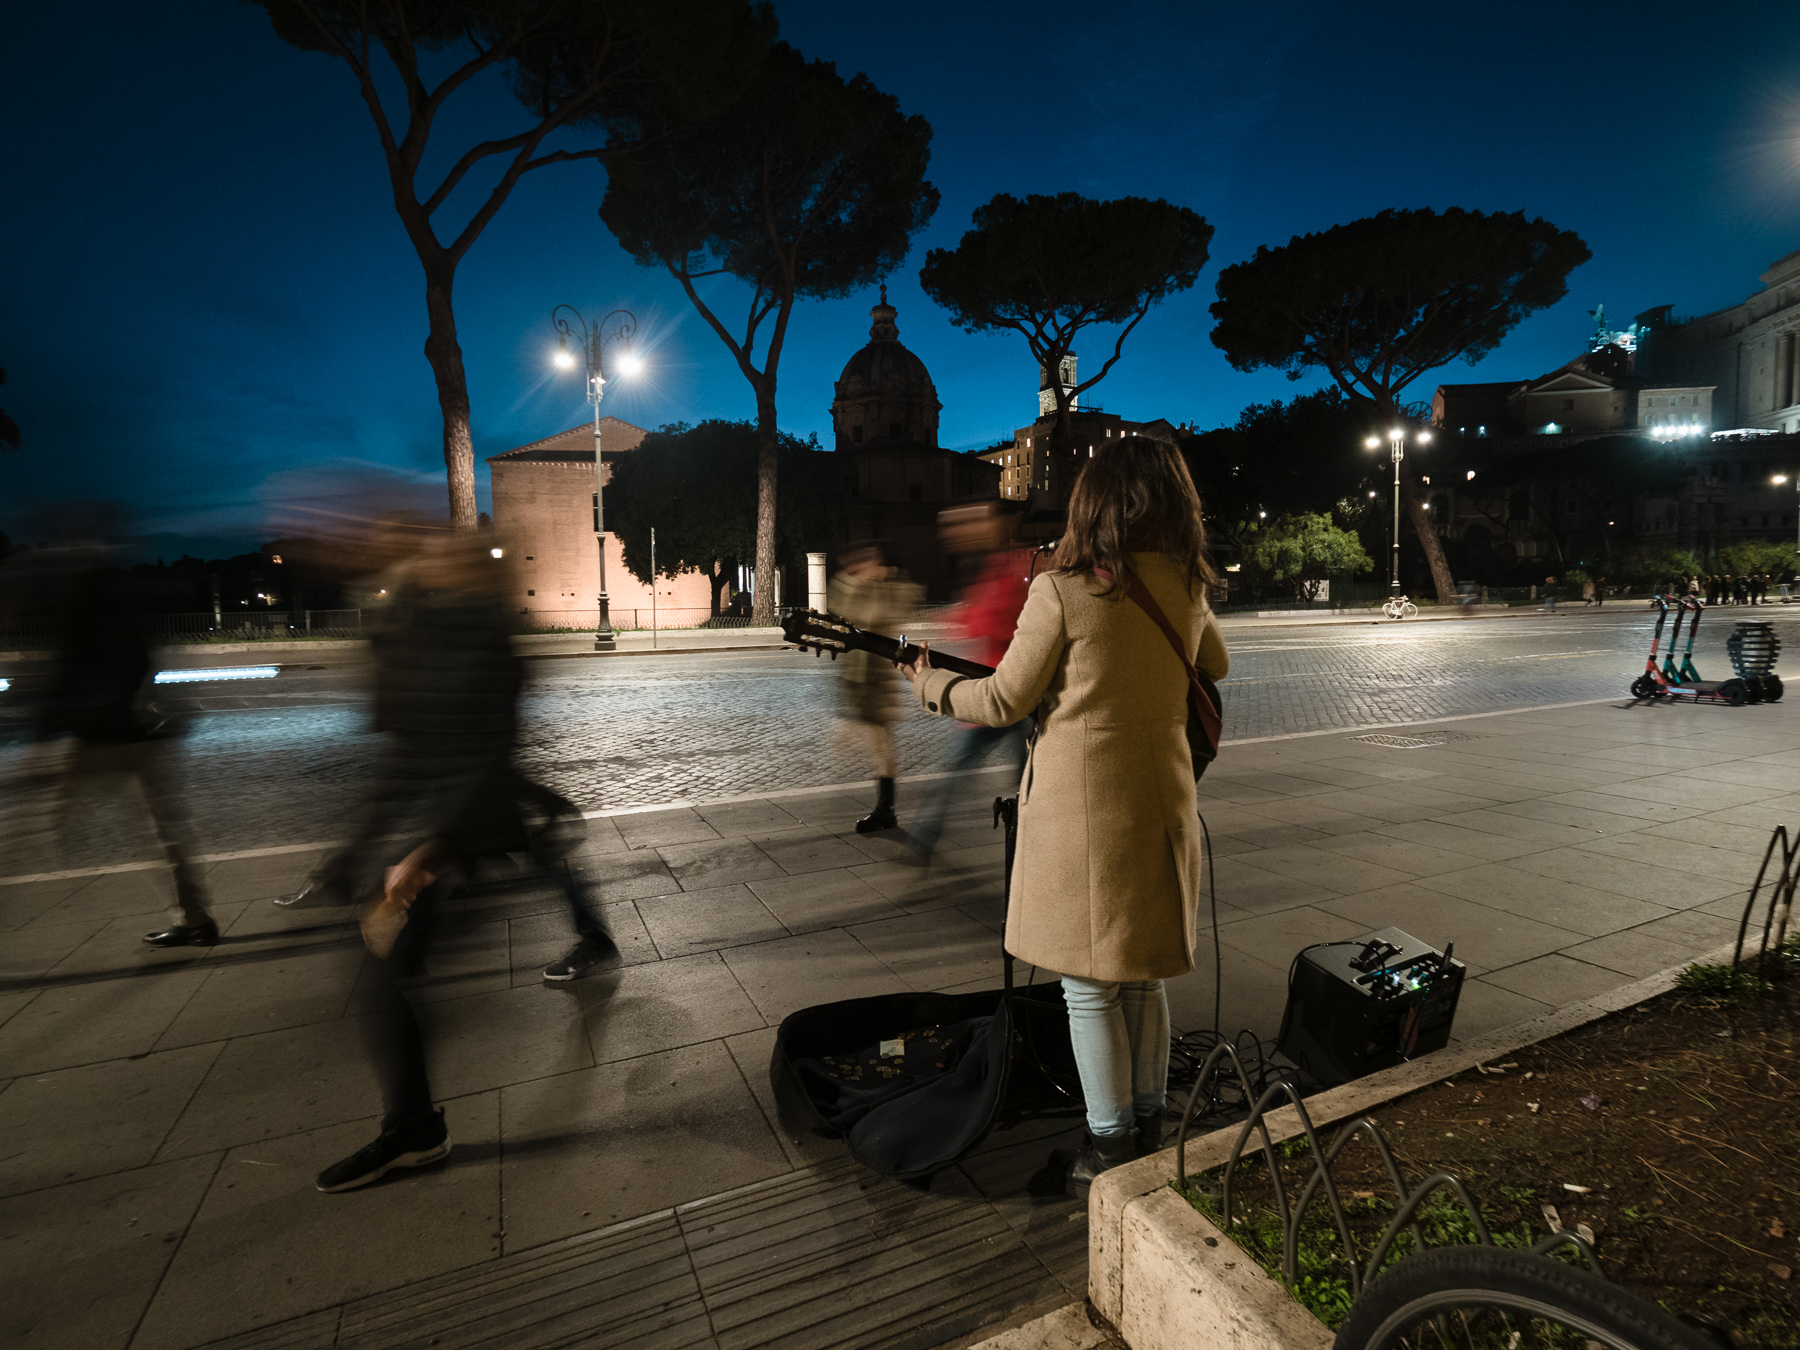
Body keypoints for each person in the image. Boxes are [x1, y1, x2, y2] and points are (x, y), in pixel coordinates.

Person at [899, 437, 1228, 1198]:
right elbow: (1216, 666)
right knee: (1140, 977)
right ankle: (1146, 1124)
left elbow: (1003, 701)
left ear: (1093, 503)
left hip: (1088, 820)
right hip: (1165, 801)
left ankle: (1109, 1148)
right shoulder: (1185, 583)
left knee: (1089, 988)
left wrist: (930, 682)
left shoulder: (1063, 591)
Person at [313, 532, 614, 1192]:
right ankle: (413, 1122)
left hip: (458, 837)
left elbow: (482, 755)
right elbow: (409, 755)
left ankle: (415, 1127)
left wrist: (434, 849)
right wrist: (355, 849)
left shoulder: (484, 640)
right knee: (389, 975)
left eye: (449, 553)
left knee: (387, 975)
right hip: (449, 830)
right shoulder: (425, 627)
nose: (430, 555)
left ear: (474, 572)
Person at [28, 547, 218, 947]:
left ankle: (194, 920)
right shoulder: (118, 598)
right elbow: (142, 660)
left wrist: (44, 740)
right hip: (142, 732)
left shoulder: (77, 602)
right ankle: (196, 919)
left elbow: (68, 673)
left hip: (101, 735)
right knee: (164, 830)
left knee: (32, 821)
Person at [910, 501, 1036, 857]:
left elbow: (1000, 621)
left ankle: (926, 834)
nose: (954, 535)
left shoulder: (1009, 570)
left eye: (970, 524)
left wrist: (964, 617)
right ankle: (925, 835)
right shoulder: (981, 568)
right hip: (992, 694)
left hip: (1008, 693)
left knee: (1020, 775)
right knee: (1005, 772)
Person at [828, 541, 923, 834]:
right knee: (873, 742)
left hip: (878, 682)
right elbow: (846, 610)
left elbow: (902, 603)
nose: (861, 568)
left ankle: (886, 809)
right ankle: (885, 808)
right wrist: (865, 581)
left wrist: (885, 577)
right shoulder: (846, 586)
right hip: (855, 680)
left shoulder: (889, 586)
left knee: (881, 744)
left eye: (866, 561)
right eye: (855, 563)